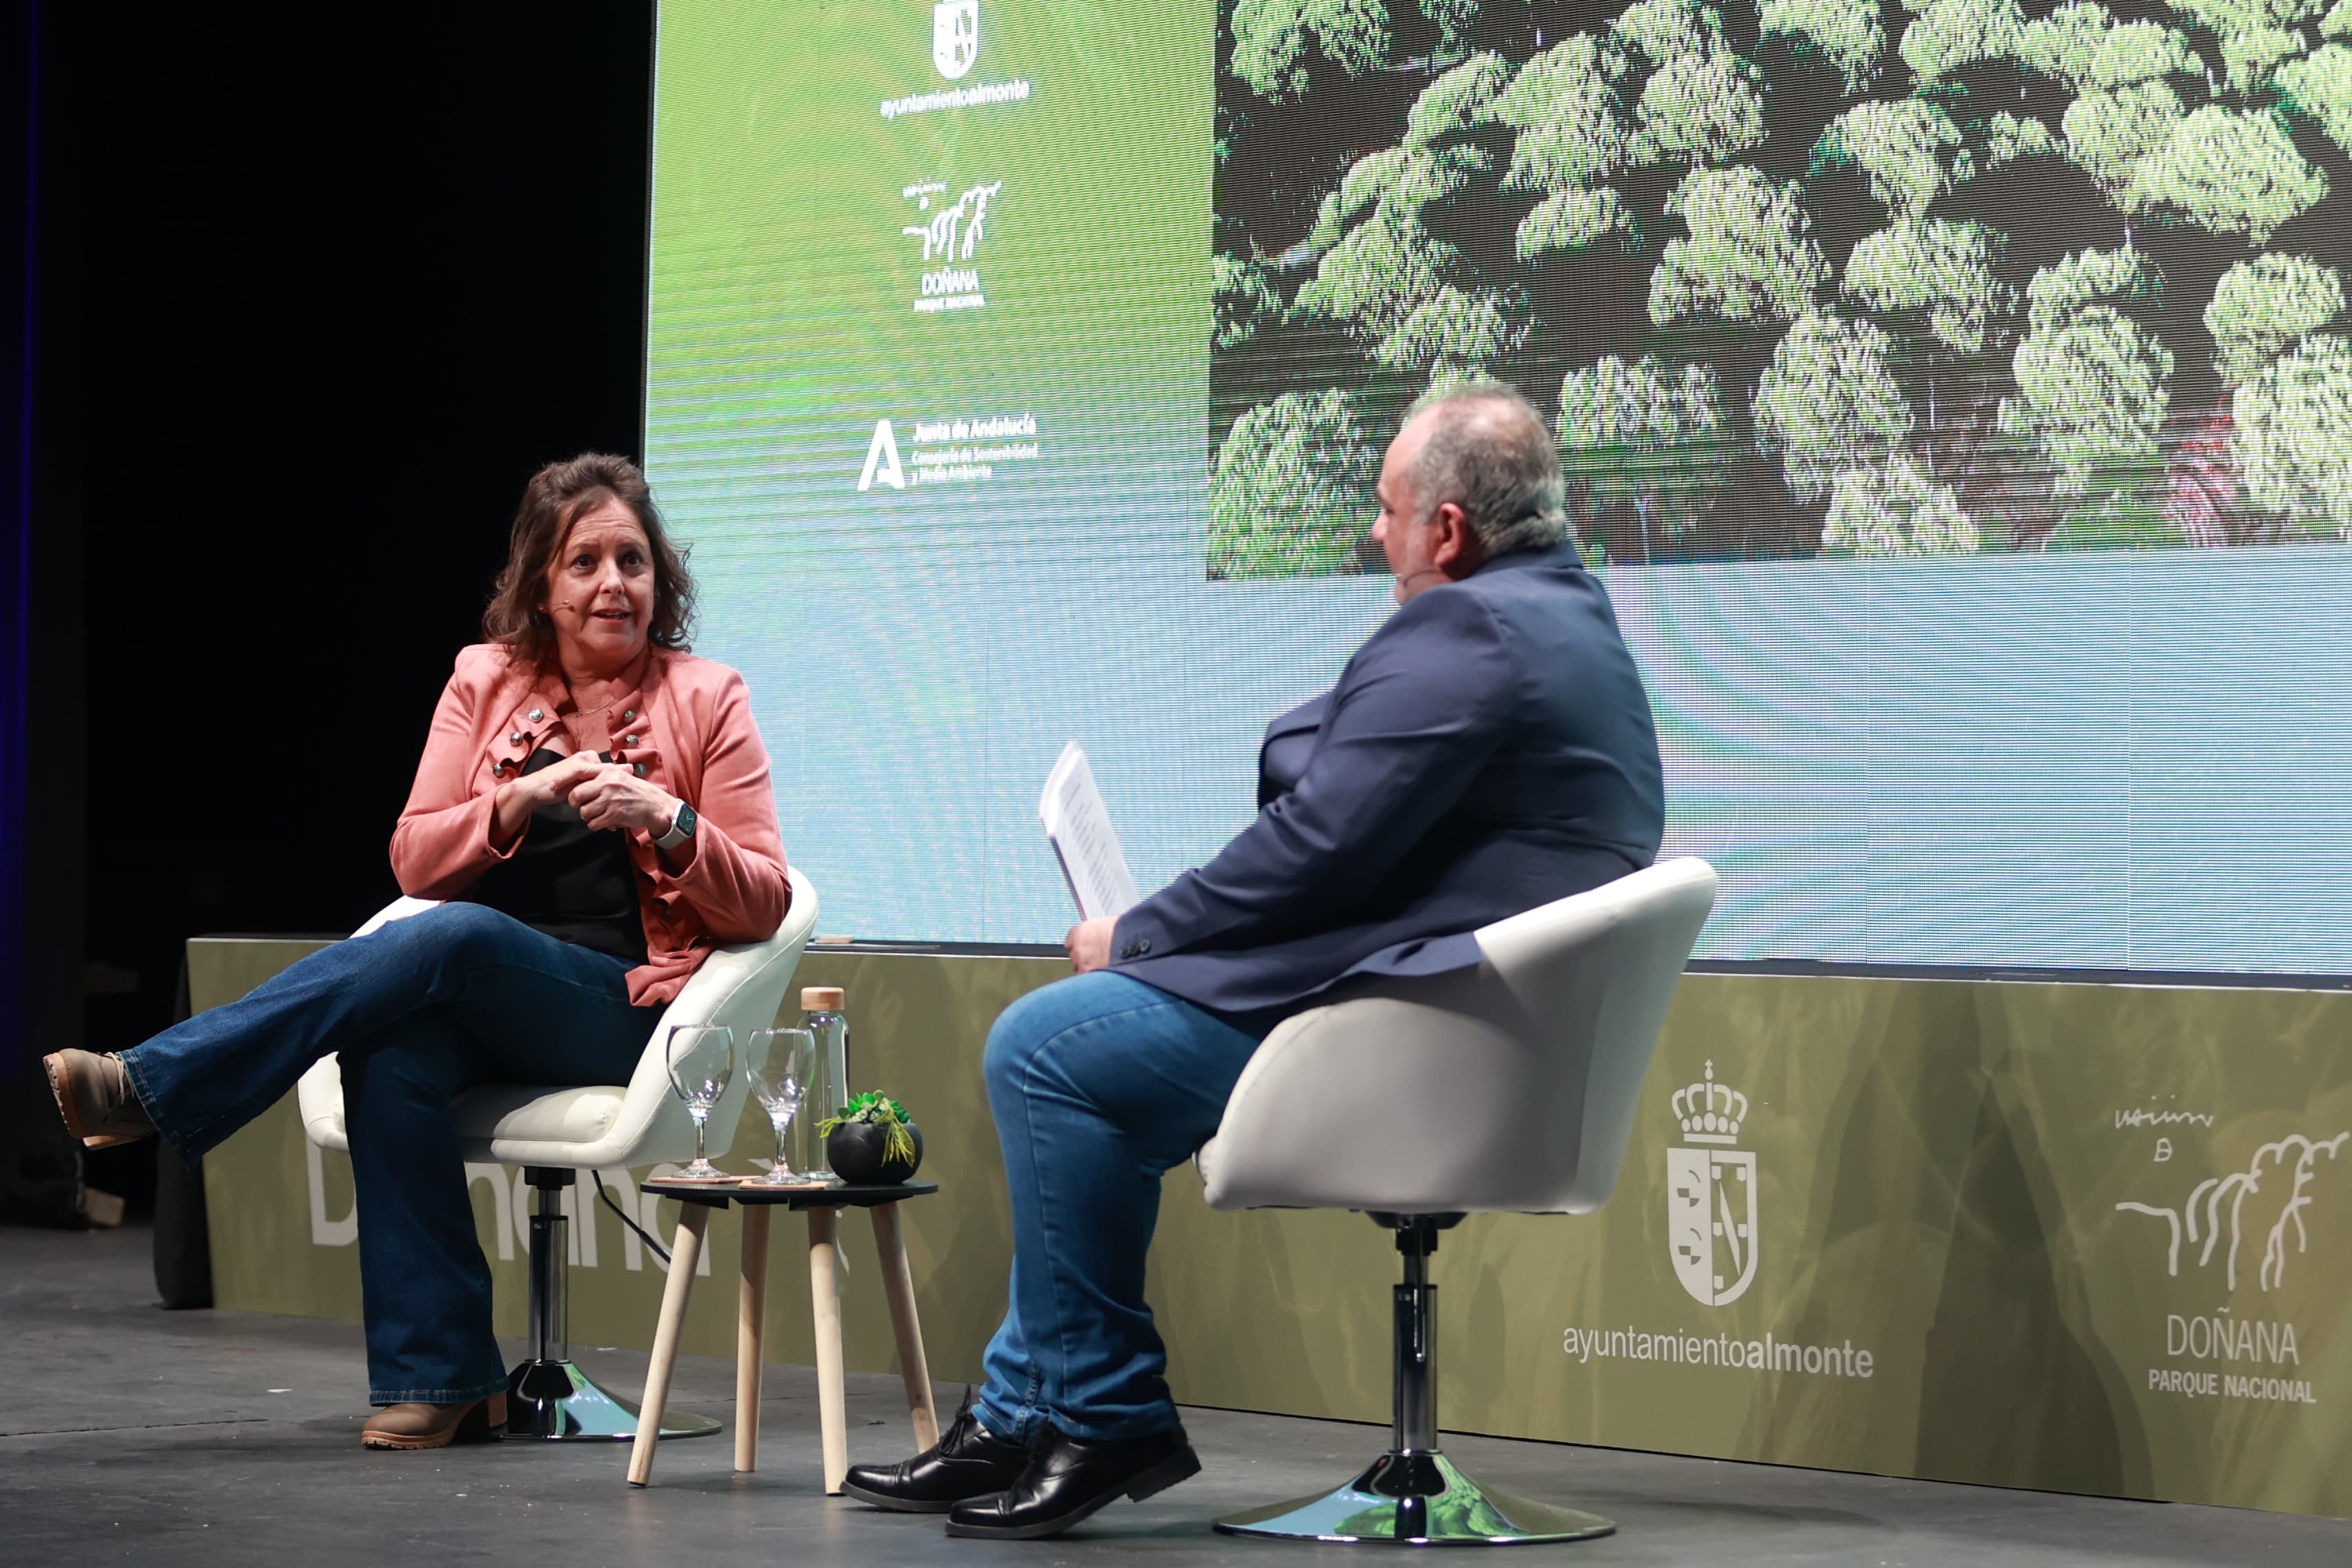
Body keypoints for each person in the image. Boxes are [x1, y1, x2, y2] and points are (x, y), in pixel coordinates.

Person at [843, 384, 1665, 1539]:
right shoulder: (1570, 618)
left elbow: (1316, 849)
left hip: (1417, 1034)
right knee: (1094, 1063)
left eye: (1387, 511)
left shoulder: (1469, 628)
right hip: (1483, 1028)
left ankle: (1106, 1409)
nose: (1371, 534)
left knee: (1049, 1050)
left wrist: (1131, 936)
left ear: (1449, 533)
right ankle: (1026, 1411)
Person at [43, 454, 790, 1450]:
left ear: (661, 580)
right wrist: (513, 800)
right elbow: (415, 855)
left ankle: (153, 1086)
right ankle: (446, 1378)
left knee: (460, 940)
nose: (614, 582)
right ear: (542, 585)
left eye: (633, 561)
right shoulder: (484, 680)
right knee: (390, 1050)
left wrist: (673, 820)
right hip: (481, 989)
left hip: (630, 1011)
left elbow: (769, 898)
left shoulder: (709, 694)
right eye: (585, 562)